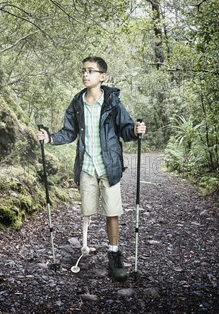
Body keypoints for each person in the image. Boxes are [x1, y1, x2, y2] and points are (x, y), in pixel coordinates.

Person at [37, 56, 146, 282]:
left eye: (91, 71)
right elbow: (69, 132)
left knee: (112, 211)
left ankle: (114, 254)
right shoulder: (77, 102)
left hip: (109, 165)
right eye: (84, 71)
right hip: (86, 165)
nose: (86, 75)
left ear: (102, 76)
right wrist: (49, 138)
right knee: (87, 210)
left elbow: (125, 129)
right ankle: (85, 246)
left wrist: (136, 130)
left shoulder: (113, 102)